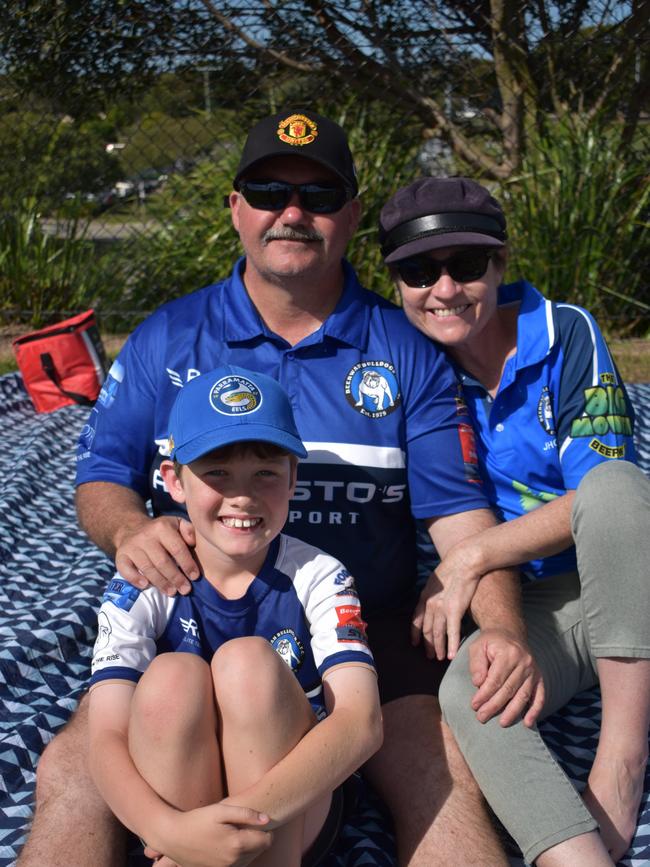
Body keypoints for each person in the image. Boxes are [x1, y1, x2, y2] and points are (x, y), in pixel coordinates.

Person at [19, 109, 536, 867]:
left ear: (352, 216)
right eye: (268, 189)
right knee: (68, 772)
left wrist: (502, 630)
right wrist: (131, 531)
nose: (292, 212)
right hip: (189, 617)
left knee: (442, 770)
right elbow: (101, 477)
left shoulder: (409, 350)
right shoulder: (167, 334)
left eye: (320, 196)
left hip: (369, 627)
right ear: (237, 207)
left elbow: (462, 521)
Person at [378, 176, 650, 867]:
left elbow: (600, 497)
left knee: (617, 485)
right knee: (469, 691)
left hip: (620, 576)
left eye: (466, 265)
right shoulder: (412, 366)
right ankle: (573, 855)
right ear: (396, 283)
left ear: (501, 262)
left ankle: (621, 758)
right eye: (418, 271)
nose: (443, 289)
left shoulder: (565, 332)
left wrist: (470, 557)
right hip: (535, 604)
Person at [87, 363, 382, 867]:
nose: (242, 495)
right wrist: (170, 830)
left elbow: (361, 723)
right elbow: (104, 738)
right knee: (171, 676)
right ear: (173, 482)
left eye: (265, 472)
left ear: (293, 479)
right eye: (216, 472)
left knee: (248, 663)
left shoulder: (320, 575)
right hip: (175, 818)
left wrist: (227, 827)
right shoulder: (141, 581)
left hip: (289, 812)